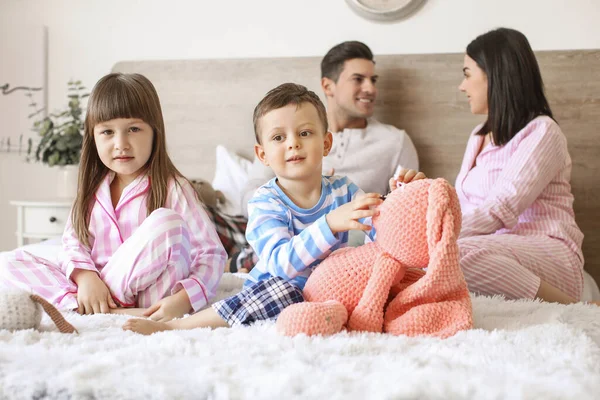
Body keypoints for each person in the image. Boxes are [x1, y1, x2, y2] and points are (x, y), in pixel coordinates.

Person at [122, 83, 384, 335]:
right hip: (277, 288)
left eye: (305, 133)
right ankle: (174, 327)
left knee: (380, 283)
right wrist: (328, 224)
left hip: (331, 287)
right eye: (279, 137)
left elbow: (380, 234)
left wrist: (397, 199)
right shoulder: (265, 201)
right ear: (263, 155)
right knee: (284, 294)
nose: (293, 143)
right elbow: (281, 265)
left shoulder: (344, 189)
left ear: (326, 143)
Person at [0, 73, 227, 320]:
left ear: (155, 132)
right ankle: (93, 305)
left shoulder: (175, 187)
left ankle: (100, 309)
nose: (121, 143)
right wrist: (86, 277)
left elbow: (210, 254)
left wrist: (182, 301)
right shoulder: (91, 189)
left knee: (168, 222)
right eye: (107, 132)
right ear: (93, 137)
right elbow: (73, 243)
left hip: (152, 295)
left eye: (133, 129)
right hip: (97, 287)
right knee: (9, 261)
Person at [391, 28, 590, 305]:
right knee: (417, 261)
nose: (462, 86)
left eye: (467, 73)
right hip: (496, 250)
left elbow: (499, 209)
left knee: (457, 254)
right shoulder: (478, 137)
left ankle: (575, 307)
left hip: (548, 250)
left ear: (495, 75)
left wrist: (437, 235)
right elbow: (463, 205)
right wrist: (423, 200)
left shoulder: (542, 132)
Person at [229, 41, 421, 273]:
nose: (370, 88)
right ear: (328, 86)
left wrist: (406, 199)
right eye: (358, 79)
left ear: (326, 143)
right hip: (278, 228)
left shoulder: (394, 141)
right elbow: (251, 194)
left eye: (373, 80)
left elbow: (385, 225)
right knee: (213, 218)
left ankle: (239, 262)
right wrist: (300, 195)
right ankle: (237, 261)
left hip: (346, 242)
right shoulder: (269, 191)